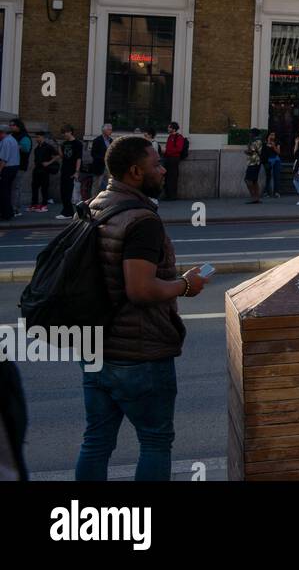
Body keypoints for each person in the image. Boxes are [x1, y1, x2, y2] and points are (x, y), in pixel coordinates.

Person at [75, 135, 209, 481]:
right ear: (136, 171)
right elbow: (140, 289)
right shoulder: (142, 220)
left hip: (96, 346)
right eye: (156, 164)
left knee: (96, 441)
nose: (163, 170)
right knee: (154, 441)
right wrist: (185, 285)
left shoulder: (96, 204)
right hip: (139, 352)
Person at [55, 125, 82, 220]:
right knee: (63, 191)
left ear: (70, 132)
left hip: (72, 171)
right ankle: (67, 211)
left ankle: (68, 212)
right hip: (64, 169)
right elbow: (62, 156)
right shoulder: (64, 143)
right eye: (63, 133)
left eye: (65, 132)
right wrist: (59, 146)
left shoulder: (77, 144)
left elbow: (79, 158)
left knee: (68, 192)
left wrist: (77, 171)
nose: (64, 135)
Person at [29, 130, 57, 213]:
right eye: (36, 137)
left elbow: (58, 155)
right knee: (34, 187)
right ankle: (34, 204)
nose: (36, 139)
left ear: (42, 137)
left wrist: (48, 163)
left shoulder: (48, 147)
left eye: (38, 137)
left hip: (44, 171)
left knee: (44, 188)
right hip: (37, 170)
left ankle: (44, 205)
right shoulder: (37, 148)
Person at [83, 124, 113, 202]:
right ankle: (92, 201)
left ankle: (106, 201)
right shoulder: (97, 140)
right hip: (99, 166)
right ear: (104, 130)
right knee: (96, 185)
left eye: (111, 129)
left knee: (109, 184)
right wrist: (103, 158)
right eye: (109, 129)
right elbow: (93, 154)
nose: (111, 131)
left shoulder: (111, 140)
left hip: (108, 166)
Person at [8, 119, 31, 213]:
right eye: (10, 125)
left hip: (20, 166)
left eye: (12, 125)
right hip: (11, 165)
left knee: (15, 187)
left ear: (18, 126)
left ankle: (15, 208)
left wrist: (14, 146)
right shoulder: (11, 135)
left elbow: (25, 148)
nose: (11, 127)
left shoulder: (25, 137)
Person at [161, 122, 186, 201]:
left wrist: (167, 151)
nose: (168, 129)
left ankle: (172, 196)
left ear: (173, 129)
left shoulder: (179, 137)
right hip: (168, 158)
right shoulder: (170, 136)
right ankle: (168, 195)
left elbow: (178, 149)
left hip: (174, 158)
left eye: (169, 127)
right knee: (167, 176)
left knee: (172, 177)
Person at [0, 126, 17, 222]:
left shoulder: (6, 141)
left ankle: (6, 214)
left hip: (7, 168)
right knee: (7, 191)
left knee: (3, 192)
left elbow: (4, 159)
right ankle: (9, 212)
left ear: (2, 133)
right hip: (13, 168)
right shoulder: (12, 139)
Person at [244, 129, 263, 204]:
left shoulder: (256, 141)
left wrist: (246, 151)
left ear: (253, 134)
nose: (249, 134)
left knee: (247, 180)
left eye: (250, 133)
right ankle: (256, 198)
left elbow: (251, 151)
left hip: (254, 163)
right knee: (254, 180)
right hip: (254, 162)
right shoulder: (257, 141)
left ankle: (254, 197)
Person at [261, 131, 282, 198]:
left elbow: (278, 152)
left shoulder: (277, 142)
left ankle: (277, 192)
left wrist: (273, 146)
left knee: (277, 176)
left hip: (276, 160)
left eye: (274, 135)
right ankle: (266, 192)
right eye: (271, 135)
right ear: (268, 135)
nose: (272, 136)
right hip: (268, 161)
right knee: (268, 177)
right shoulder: (264, 143)